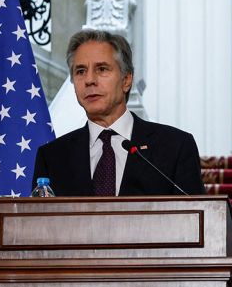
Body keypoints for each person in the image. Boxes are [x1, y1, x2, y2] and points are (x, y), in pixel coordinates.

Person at [33, 30, 204, 196]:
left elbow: (197, 218)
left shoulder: (175, 147)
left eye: (101, 69)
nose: (89, 80)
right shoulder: (52, 157)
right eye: (80, 71)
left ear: (126, 80)